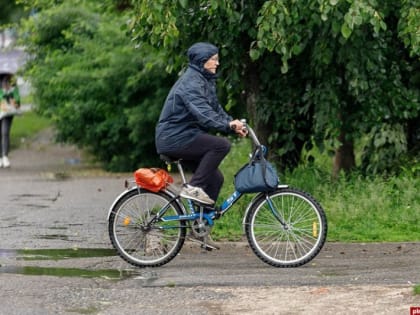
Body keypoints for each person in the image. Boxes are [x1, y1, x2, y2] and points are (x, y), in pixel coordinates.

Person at [155, 42, 247, 206]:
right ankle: (193, 187)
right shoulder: (191, 83)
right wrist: (228, 126)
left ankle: (201, 224)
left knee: (215, 179)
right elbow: (204, 113)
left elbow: (215, 109)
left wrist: (233, 124)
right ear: (201, 60)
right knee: (221, 145)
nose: (217, 63)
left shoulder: (203, 80)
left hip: (184, 135)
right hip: (174, 137)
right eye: (213, 59)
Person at [0, 74, 21, 168]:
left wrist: (13, 100)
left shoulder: (13, 82)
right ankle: (0, 157)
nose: (5, 84)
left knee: (5, 132)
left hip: (7, 113)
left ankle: (5, 156)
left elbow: (17, 100)